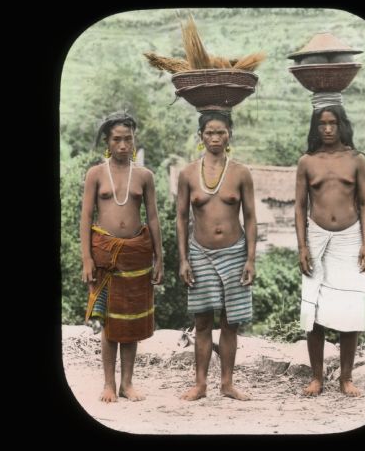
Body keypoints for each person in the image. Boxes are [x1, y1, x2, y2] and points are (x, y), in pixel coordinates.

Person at [80, 111, 164, 403]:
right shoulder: (95, 174)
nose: (123, 145)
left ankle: (127, 384)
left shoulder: (144, 176)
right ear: (108, 141)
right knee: (110, 323)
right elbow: (86, 217)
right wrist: (87, 259)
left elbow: (152, 218)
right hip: (105, 257)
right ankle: (108, 384)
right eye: (117, 139)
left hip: (136, 257)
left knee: (132, 321)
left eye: (128, 139)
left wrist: (159, 258)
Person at [176, 110, 257, 401]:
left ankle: (227, 383)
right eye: (209, 132)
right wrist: (184, 259)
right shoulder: (187, 174)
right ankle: (200, 384)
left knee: (231, 321)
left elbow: (250, 217)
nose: (215, 137)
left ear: (229, 135)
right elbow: (181, 218)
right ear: (201, 137)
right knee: (202, 322)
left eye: (220, 132)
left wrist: (250, 258)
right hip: (200, 253)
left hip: (235, 252)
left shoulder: (241, 172)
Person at [294, 105, 365, 397]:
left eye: (332, 123)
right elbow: (300, 206)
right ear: (315, 128)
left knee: (349, 308)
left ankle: (346, 378)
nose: (327, 129)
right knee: (313, 309)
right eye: (322, 124)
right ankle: (316, 377)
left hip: (350, 239)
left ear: (342, 126)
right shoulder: (307, 162)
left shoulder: (356, 160)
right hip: (315, 238)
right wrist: (302, 246)